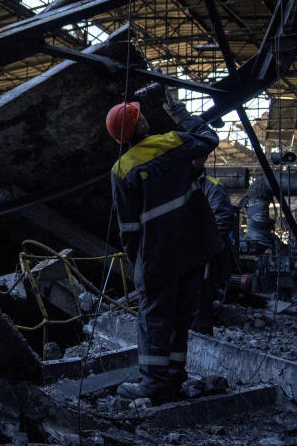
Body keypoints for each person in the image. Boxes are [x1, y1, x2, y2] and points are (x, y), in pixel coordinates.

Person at [106, 96, 222, 404]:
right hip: (194, 249)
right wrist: (177, 111)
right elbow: (210, 138)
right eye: (140, 116)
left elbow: (128, 229)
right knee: (181, 315)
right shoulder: (174, 142)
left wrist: (139, 261)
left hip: (158, 256)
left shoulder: (121, 169)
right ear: (140, 124)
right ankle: (173, 377)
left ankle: (155, 384)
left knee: (154, 319)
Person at [190, 154, 239, 335]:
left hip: (204, 261)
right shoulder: (179, 184)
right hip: (185, 258)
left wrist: (201, 250)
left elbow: (222, 222)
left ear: (202, 160)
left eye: (193, 157)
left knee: (200, 305)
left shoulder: (212, 187)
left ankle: (201, 340)